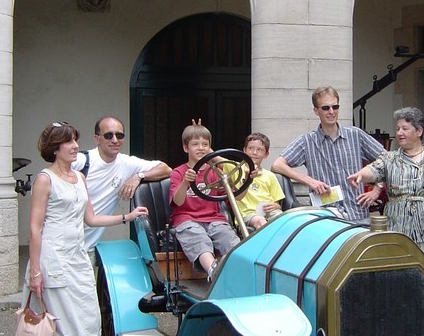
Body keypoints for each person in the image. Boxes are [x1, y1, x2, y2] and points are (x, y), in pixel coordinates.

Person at [15, 122, 149, 336]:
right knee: (59, 318)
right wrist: (36, 271)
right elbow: (35, 228)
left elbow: (91, 218)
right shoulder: (44, 179)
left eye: (76, 140)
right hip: (53, 255)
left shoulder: (79, 178)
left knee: (85, 315)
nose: (76, 146)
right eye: (69, 142)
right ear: (55, 148)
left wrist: (128, 216)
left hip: (77, 253)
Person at [347, 106, 424, 274]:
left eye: (405, 129)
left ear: (419, 131)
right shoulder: (389, 158)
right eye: (398, 128)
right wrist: (360, 175)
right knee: (399, 277)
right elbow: (373, 170)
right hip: (398, 231)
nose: (399, 133)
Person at [271, 86, 387, 220]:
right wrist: (310, 181)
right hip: (326, 219)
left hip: (358, 215)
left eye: (335, 107)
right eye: (326, 108)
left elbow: (388, 160)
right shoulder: (307, 142)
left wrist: (377, 190)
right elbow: (277, 165)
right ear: (316, 111)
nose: (331, 111)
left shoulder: (356, 135)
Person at [72, 115, 171, 253]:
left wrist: (139, 176)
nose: (114, 140)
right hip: (61, 245)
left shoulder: (126, 163)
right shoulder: (81, 161)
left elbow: (166, 169)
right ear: (97, 139)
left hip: (87, 248)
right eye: (108, 135)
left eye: (119, 135)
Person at [169, 123, 240, 282]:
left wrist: (247, 180)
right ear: (186, 148)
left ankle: (236, 271)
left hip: (214, 219)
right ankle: (213, 272)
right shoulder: (178, 172)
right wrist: (185, 182)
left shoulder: (215, 172)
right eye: (195, 144)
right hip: (187, 219)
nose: (200, 148)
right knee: (198, 238)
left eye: (205, 144)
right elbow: (178, 202)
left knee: (229, 238)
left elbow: (236, 197)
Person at [236, 133, 285, 230]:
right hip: (248, 214)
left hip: (267, 211)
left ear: (266, 154)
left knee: (284, 220)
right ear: (244, 150)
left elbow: (277, 203)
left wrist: (274, 205)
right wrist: (197, 133)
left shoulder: (270, 176)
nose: (254, 152)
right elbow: (215, 159)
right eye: (251, 148)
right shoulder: (235, 169)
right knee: (260, 221)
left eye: (259, 150)